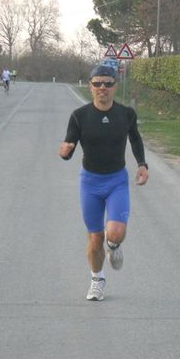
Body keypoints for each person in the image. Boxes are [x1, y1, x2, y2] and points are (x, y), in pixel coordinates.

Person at [58, 65, 149, 301]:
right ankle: (97, 279)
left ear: (115, 86)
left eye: (108, 83)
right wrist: (65, 152)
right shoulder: (79, 116)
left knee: (115, 233)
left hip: (116, 180)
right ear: (90, 86)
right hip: (90, 182)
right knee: (95, 238)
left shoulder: (126, 114)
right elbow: (68, 147)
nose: (102, 88)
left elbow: (135, 139)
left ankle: (115, 246)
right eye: (97, 83)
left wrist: (142, 164)